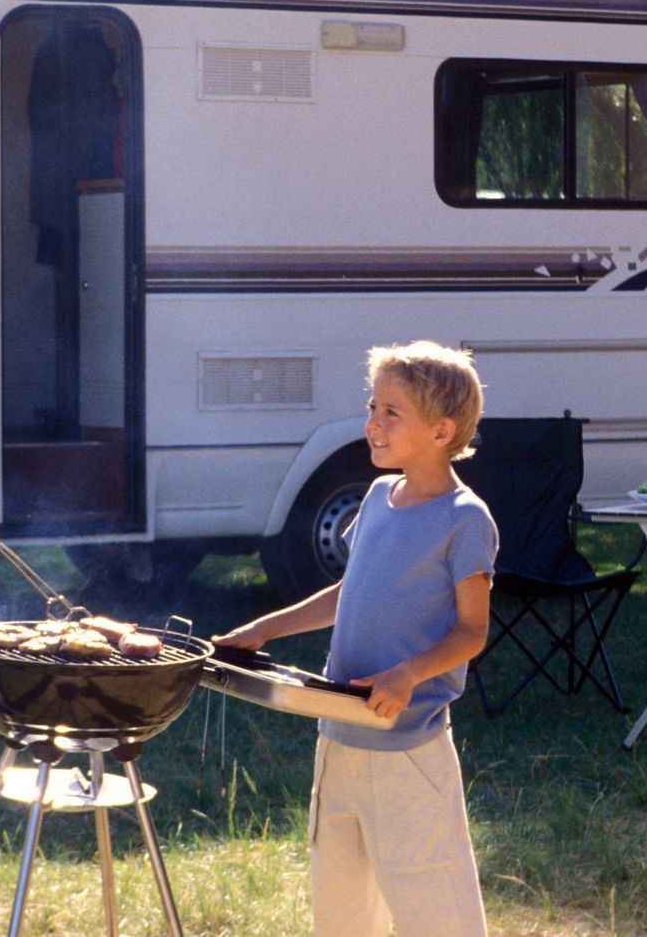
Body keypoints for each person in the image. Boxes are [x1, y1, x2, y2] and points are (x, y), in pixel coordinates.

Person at [215, 341, 496, 937]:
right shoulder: (375, 499)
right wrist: (266, 628)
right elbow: (349, 591)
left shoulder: (465, 519)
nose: (372, 422)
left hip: (409, 748)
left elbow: (472, 632)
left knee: (434, 908)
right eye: (373, 405)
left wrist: (407, 675)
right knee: (342, 910)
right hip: (338, 734)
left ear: (442, 429)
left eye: (392, 412)